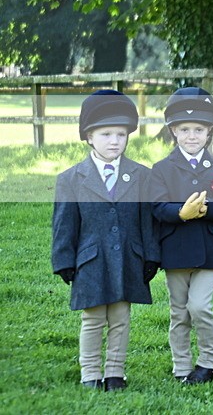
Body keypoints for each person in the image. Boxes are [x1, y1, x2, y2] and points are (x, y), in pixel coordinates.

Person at [51, 89, 159, 391]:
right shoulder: (71, 179)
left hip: (128, 258)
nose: (115, 141)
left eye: (121, 135)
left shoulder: (141, 175)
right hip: (90, 261)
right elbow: (64, 224)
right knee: (93, 318)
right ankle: (90, 374)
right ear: (89, 137)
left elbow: (147, 220)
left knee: (121, 318)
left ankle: (114, 373)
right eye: (106, 134)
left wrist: (151, 255)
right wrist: (63, 260)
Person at [150, 87, 213, 385]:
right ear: (173, 132)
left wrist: (204, 210)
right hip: (174, 251)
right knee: (179, 313)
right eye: (184, 129)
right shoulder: (161, 169)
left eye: (198, 129)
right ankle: (181, 367)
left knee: (199, 306)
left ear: (209, 131)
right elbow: (157, 207)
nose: (192, 136)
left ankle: (208, 362)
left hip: (207, 253)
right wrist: (180, 213)